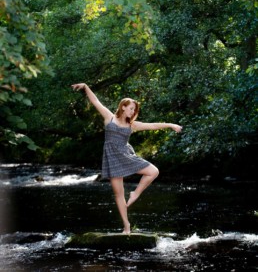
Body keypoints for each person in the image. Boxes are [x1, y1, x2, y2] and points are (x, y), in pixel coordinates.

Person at [71, 83, 183, 234]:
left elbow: (152, 125)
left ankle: (135, 193)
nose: (133, 111)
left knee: (153, 171)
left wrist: (171, 125)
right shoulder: (109, 118)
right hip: (112, 158)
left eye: (134, 110)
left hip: (126, 155)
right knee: (118, 194)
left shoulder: (132, 125)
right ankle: (126, 226)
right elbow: (96, 101)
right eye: (131, 108)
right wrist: (85, 87)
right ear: (123, 107)